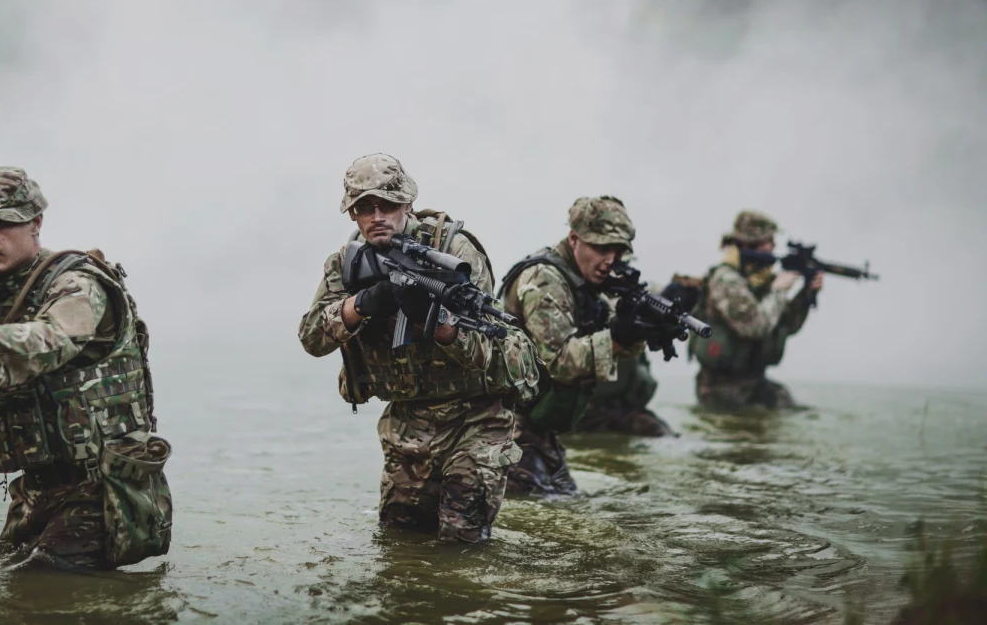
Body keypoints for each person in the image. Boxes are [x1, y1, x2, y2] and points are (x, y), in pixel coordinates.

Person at [0, 166, 172, 570]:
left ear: (36, 222)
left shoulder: (75, 284)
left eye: (1, 225)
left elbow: (48, 342)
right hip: (35, 491)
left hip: (101, 490)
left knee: (39, 591)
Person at [298, 153, 539, 543]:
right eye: (364, 207)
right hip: (408, 422)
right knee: (399, 542)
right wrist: (362, 304)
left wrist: (437, 323)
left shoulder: (456, 252)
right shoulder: (346, 262)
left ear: (407, 204)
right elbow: (312, 338)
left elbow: (483, 353)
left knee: (461, 541)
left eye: (387, 205)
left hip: (476, 416)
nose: (377, 216)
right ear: (352, 215)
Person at [498, 196, 671, 497]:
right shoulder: (545, 280)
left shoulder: (586, 281)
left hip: (540, 431)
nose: (610, 260)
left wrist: (638, 329)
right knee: (542, 519)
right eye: (602, 248)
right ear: (574, 239)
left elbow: (612, 344)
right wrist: (617, 337)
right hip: (507, 430)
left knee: (568, 506)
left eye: (618, 251)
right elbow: (561, 360)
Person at [688, 209, 823, 410]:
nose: (773, 246)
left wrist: (806, 295)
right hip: (719, 387)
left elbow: (786, 325)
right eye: (769, 241)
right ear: (750, 242)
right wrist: (778, 290)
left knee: (800, 413)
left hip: (754, 382)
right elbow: (754, 327)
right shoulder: (726, 279)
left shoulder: (763, 281)